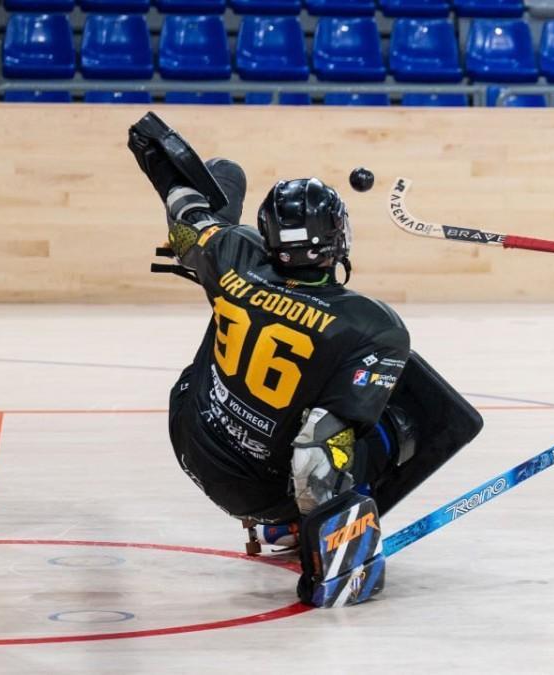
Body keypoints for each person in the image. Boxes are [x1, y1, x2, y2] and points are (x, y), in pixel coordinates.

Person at [127, 113, 481, 607]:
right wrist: (330, 561)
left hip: (192, 443)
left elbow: (188, 224)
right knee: (395, 421)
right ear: (337, 239)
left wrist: (163, 168)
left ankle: (277, 520)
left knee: (225, 347)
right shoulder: (371, 326)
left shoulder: (234, 253)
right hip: (261, 491)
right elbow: (317, 447)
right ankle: (306, 541)